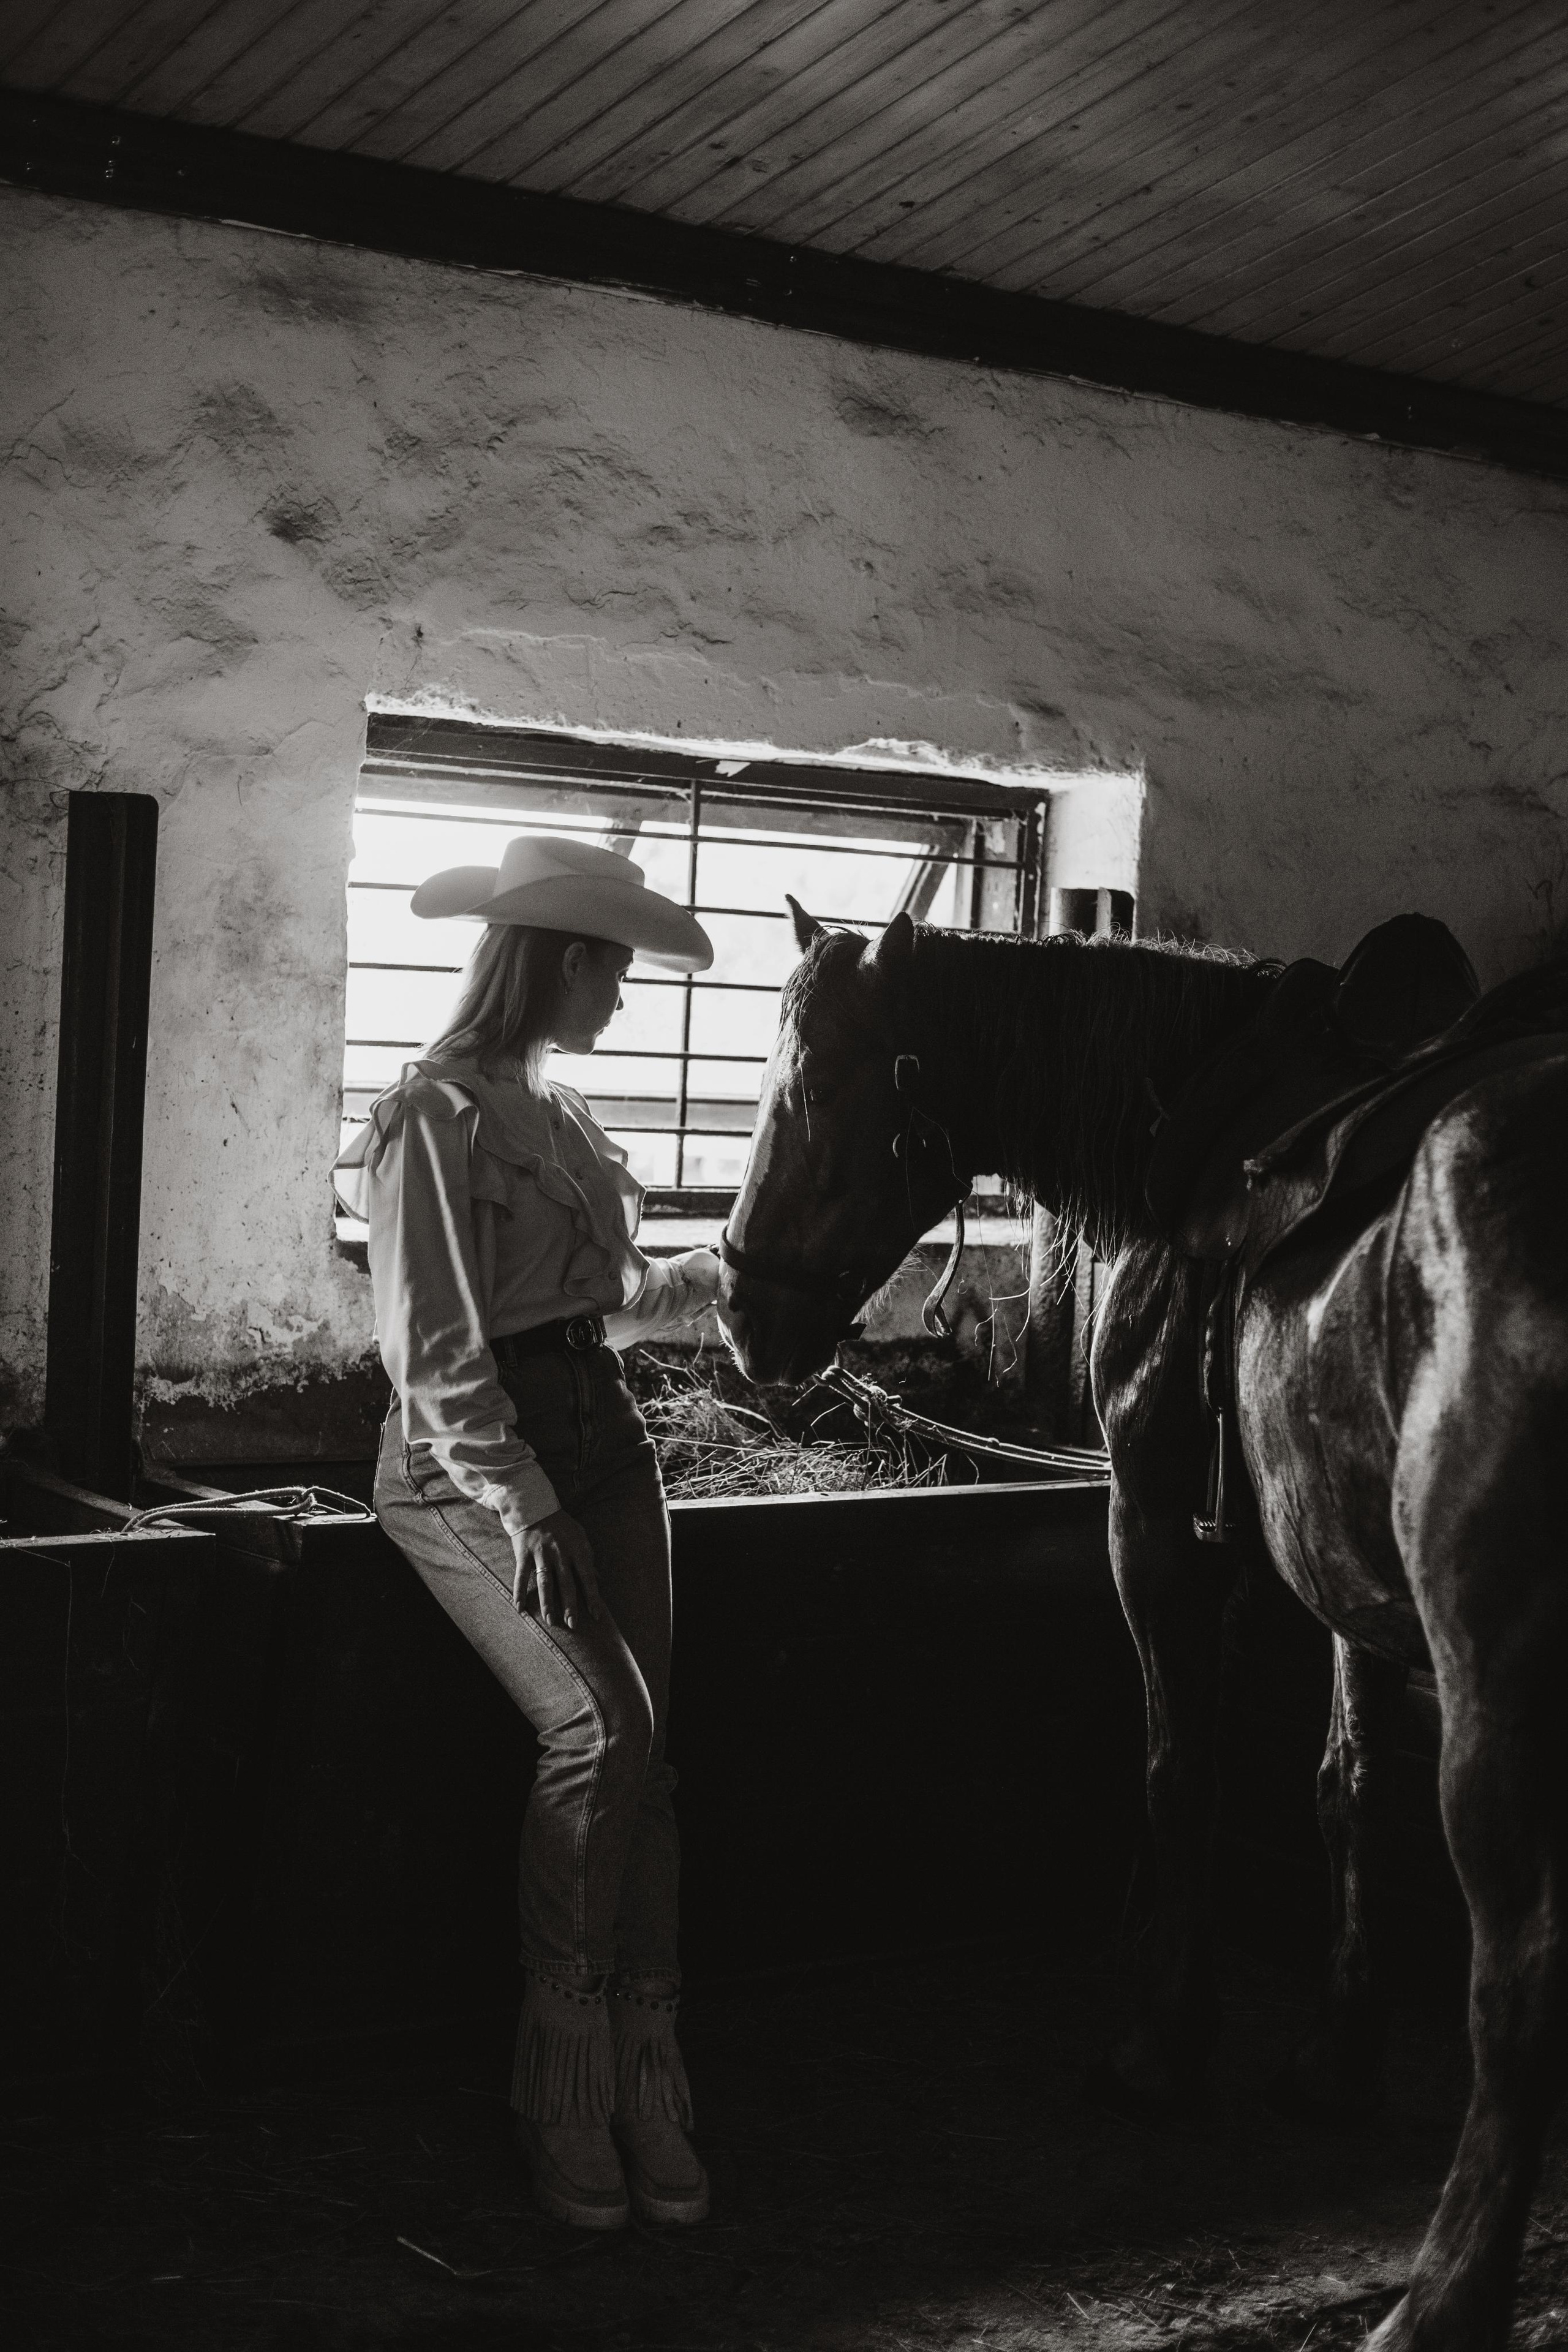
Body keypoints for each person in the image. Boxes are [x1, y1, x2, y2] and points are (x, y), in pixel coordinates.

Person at [333, 832, 723, 2231]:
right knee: (600, 1733)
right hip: (475, 1459)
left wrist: (716, 1285)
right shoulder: (429, 1119)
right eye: (611, 967)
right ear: (563, 958)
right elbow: (434, 1346)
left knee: (651, 1763)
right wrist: (524, 1498)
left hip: (603, 1432)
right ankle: (560, 2074)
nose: (619, 994)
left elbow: (587, 1311)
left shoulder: (558, 1122)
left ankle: (642, 2059)